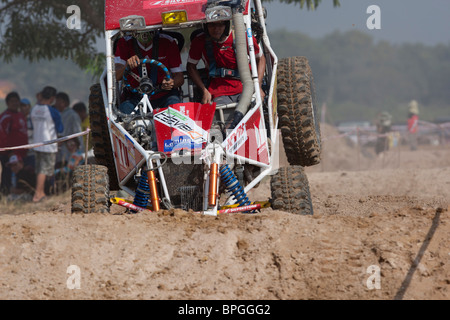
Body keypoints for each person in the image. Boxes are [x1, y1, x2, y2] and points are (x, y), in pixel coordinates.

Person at [186, 20, 266, 106]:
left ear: (227, 25)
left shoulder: (243, 37)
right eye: (212, 25)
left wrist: (258, 86)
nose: (216, 29)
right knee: (218, 114)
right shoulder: (200, 41)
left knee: (253, 106)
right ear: (206, 26)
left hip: (246, 86)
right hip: (218, 90)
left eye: (220, 24)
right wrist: (204, 91)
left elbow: (260, 59)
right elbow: (191, 66)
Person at [114, 30, 184, 114]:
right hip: (135, 96)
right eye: (140, 30)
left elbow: (180, 77)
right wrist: (127, 66)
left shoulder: (168, 41)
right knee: (124, 111)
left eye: (148, 29)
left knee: (175, 107)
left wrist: (171, 83)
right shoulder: (124, 42)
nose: (144, 34)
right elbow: (116, 76)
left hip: (164, 95)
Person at [30, 86, 63, 203]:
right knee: (44, 170)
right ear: (52, 98)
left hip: (36, 143)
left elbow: (32, 125)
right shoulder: (53, 111)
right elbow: (60, 128)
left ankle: (41, 192)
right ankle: (38, 194)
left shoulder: (34, 109)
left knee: (39, 169)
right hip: (48, 145)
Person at [0, 91, 28, 195]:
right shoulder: (5, 117)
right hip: (8, 153)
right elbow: (2, 136)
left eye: (17, 101)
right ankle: (5, 195)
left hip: (21, 153)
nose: (15, 103)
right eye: (12, 101)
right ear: (7, 103)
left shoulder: (20, 115)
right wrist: (10, 151)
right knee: (7, 175)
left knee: (20, 175)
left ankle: (17, 195)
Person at [54, 92, 82, 166]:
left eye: (58, 101)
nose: (56, 104)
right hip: (59, 150)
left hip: (69, 149)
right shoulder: (58, 114)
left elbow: (78, 133)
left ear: (65, 102)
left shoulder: (72, 115)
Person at [19, 98, 35, 169]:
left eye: (25, 106)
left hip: (32, 151)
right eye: (22, 106)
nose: (23, 108)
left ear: (29, 106)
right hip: (21, 152)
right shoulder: (17, 118)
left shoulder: (34, 118)